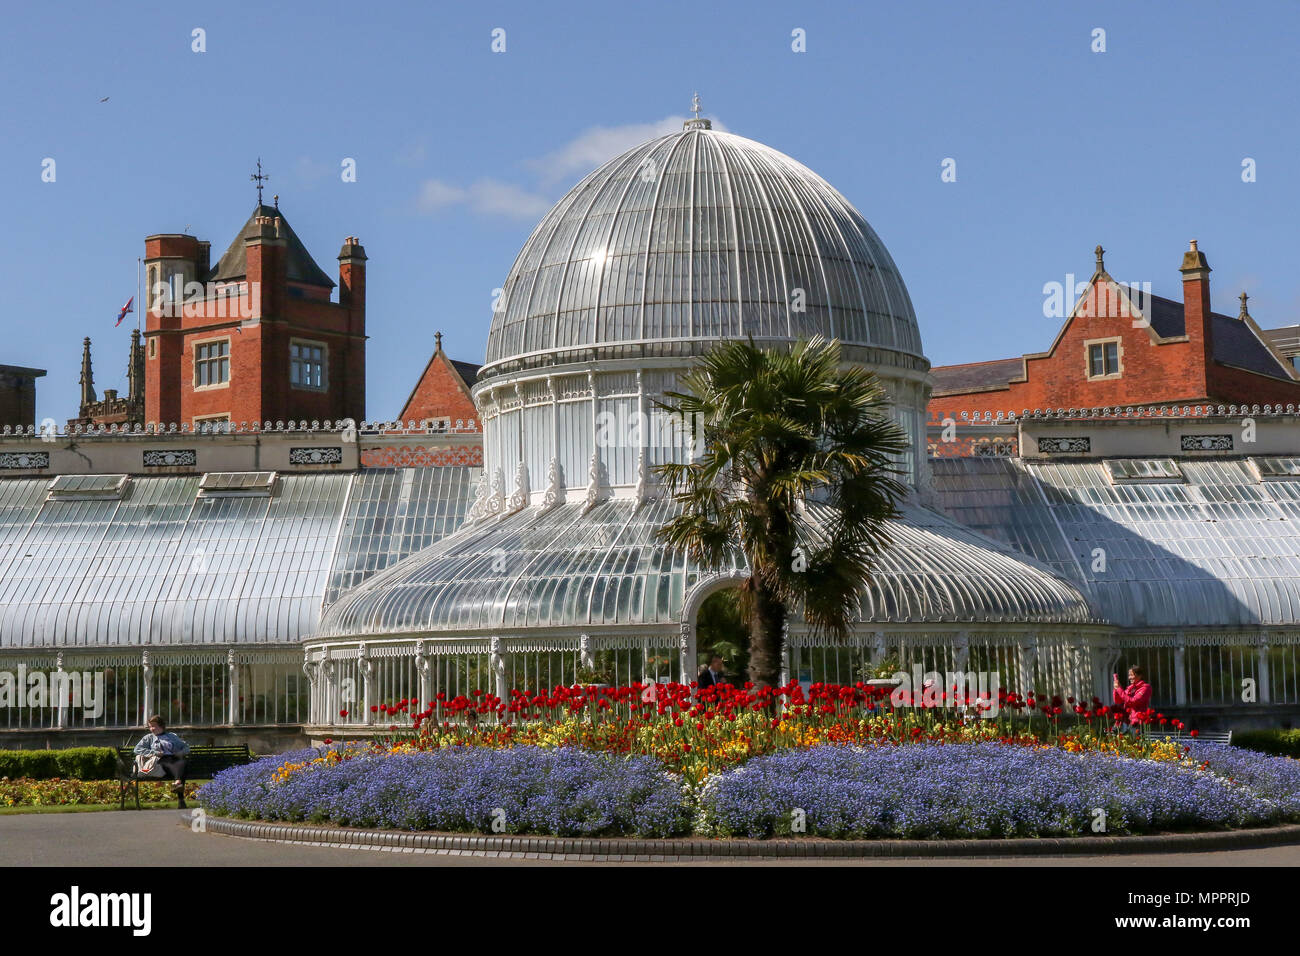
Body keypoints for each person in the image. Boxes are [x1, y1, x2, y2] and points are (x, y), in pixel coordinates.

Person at [133, 715, 191, 808]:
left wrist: (180, 753)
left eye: (153, 726)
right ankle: (181, 799)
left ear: (161, 726)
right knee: (176, 765)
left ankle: (177, 782)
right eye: (150, 726)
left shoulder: (171, 736)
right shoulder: (149, 738)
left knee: (182, 763)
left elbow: (186, 747)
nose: (151, 729)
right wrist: (154, 753)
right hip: (160, 761)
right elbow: (137, 749)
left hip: (174, 759)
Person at [1112, 665, 1153, 730]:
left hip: (1136, 723)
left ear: (1140, 676)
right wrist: (1116, 689)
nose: (1129, 677)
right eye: (1129, 675)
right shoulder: (1130, 688)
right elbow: (1118, 700)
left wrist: (1119, 689)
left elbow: (1132, 701)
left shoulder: (1146, 688)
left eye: (1131, 675)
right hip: (1125, 721)